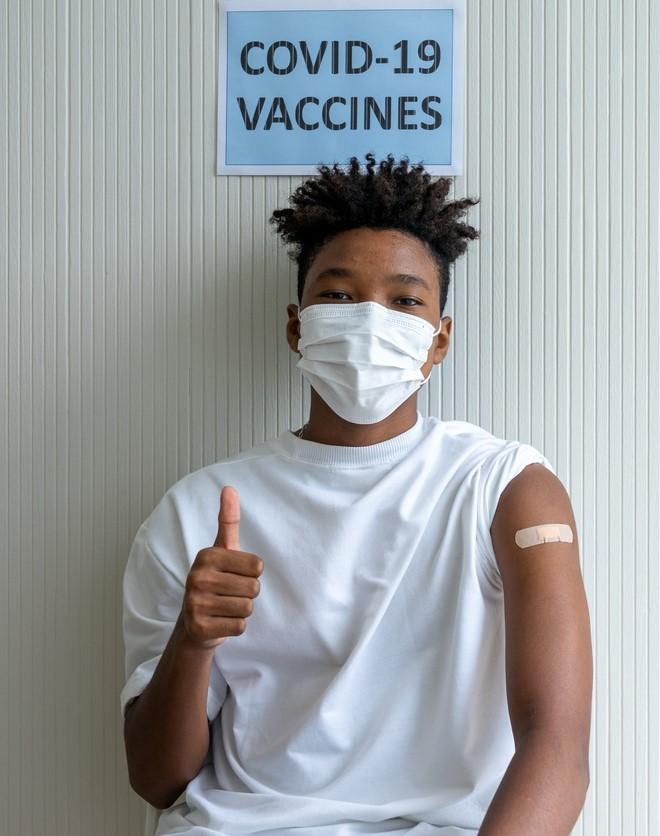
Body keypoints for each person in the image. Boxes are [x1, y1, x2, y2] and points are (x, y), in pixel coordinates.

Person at [121, 153, 592, 836]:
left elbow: (559, 750)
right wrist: (192, 643)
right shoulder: (197, 511)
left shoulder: (507, 490)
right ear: (297, 325)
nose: (371, 321)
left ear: (439, 341)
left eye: (405, 301)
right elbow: (157, 780)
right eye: (339, 297)